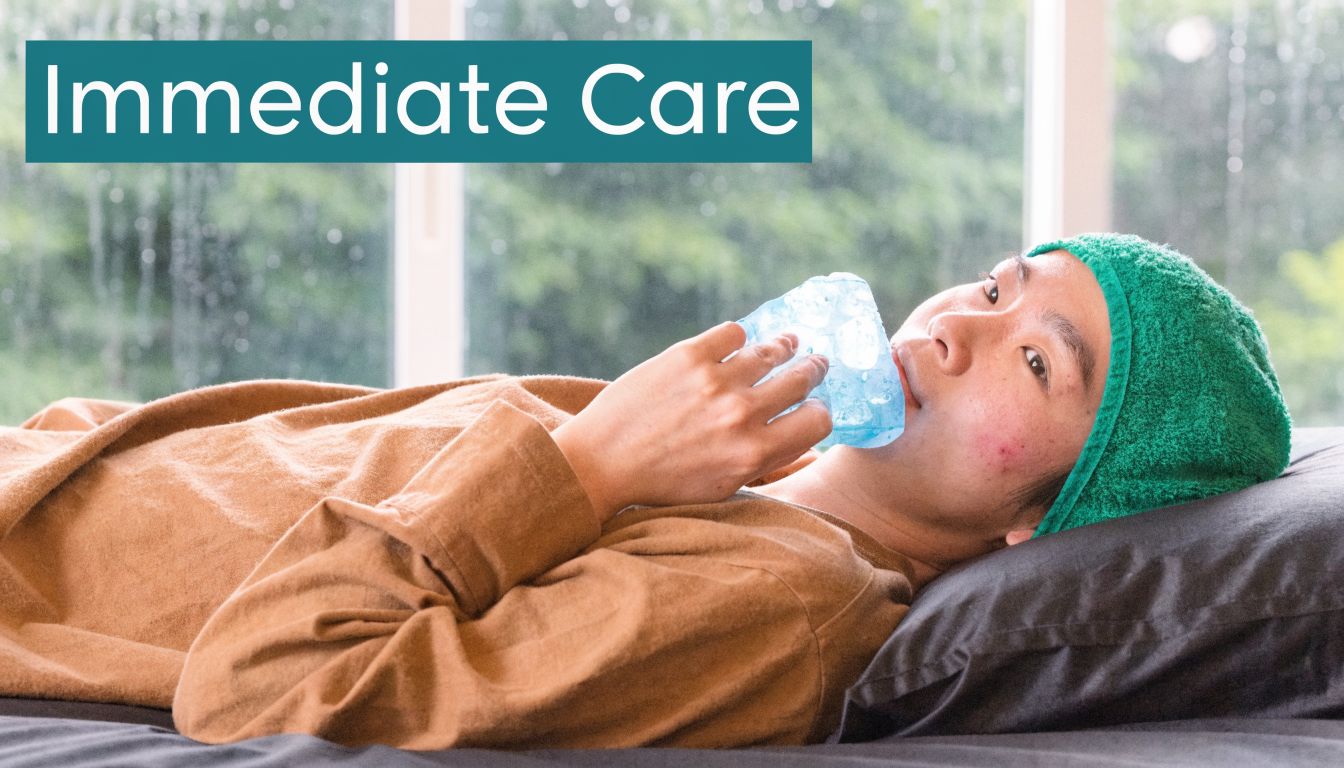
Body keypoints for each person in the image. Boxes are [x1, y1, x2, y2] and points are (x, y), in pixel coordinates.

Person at [0, 233, 1290, 749]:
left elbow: (270, 691)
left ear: (1051, 520)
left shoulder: (782, 603)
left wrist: (586, 464)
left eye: (1035, 358)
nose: (959, 321)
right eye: (1002, 284)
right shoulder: (739, 472)